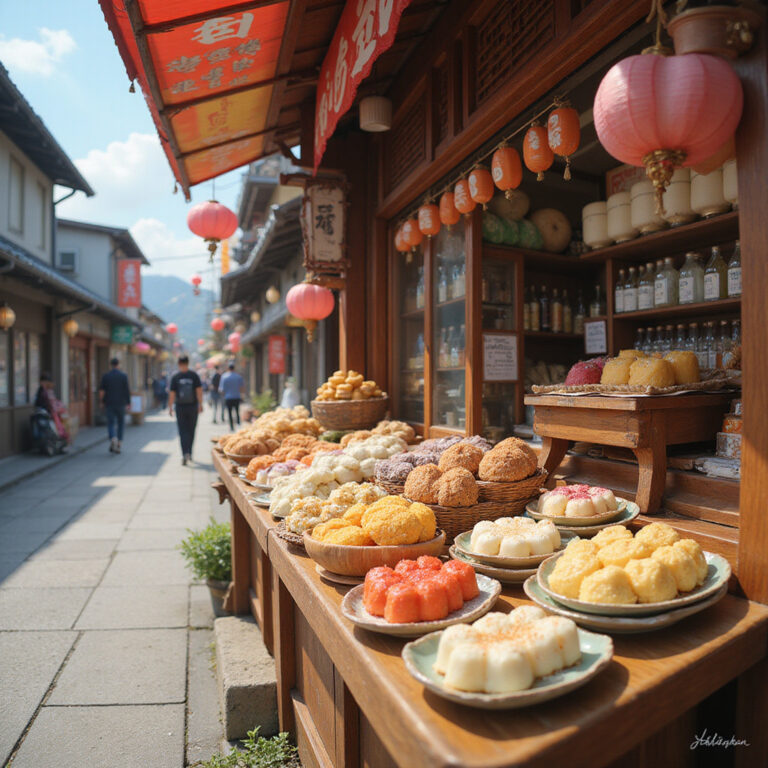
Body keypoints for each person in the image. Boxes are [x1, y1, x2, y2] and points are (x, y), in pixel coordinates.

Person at [168, 355, 203, 465]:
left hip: (180, 407)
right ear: (188, 363)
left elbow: (172, 393)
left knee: (182, 431)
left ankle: (184, 453)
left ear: (179, 364)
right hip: (192, 406)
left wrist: (170, 407)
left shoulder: (176, 377)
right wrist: (200, 404)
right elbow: (199, 391)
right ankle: (190, 452)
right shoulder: (194, 375)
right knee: (191, 430)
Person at [100, 357, 131, 454]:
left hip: (109, 403)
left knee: (110, 423)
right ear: (118, 365)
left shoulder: (106, 376)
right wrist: (128, 403)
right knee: (121, 423)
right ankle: (119, 444)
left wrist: (101, 401)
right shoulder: (123, 376)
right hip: (121, 403)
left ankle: (113, 437)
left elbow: (102, 391)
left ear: (111, 365)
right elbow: (127, 390)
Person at [34, 371, 70, 443]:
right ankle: (61, 434)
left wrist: (58, 406)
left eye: (46, 382)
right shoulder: (42, 391)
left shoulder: (46, 391)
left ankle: (62, 436)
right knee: (57, 418)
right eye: (43, 382)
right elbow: (42, 403)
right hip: (46, 412)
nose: (44, 384)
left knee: (62, 416)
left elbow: (52, 401)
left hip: (48, 411)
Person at [219, 361, 245, 431]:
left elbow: (221, 389)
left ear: (228, 368)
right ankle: (238, 424)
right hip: (237, 397)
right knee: (237, 411)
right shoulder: (238, 377)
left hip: (228, 397)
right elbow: (242, 388)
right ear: (234, 368)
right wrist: (242, 395)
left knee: (229, 413)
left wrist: (224, 395)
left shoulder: (224, 377)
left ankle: (231, 427)